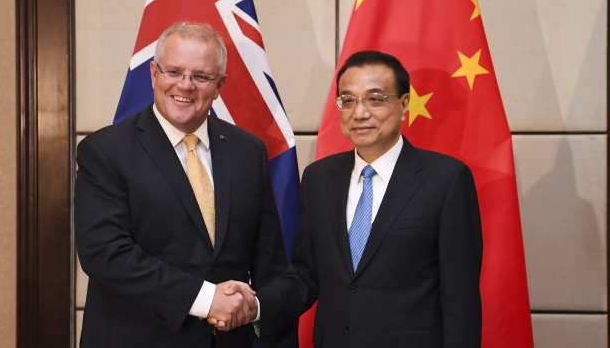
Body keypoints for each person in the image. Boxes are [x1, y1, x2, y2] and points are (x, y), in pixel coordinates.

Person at [245, 50, 483, 347]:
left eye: (375, 98)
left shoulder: (446, 180)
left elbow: (460, 299)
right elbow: (307, 275)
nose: (360, 113)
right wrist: (256, 306)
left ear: (404, 104)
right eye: (348, 100)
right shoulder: (319, 178)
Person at [74, 22, 291, 348]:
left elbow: (269, 261)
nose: (185, 85)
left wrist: (260, 313)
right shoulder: (105, 151)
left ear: (220, 85)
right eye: (173, 71)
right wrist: (207, 299)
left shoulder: (249, 150)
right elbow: (106, 254)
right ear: (153, 73)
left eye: (201, 76)